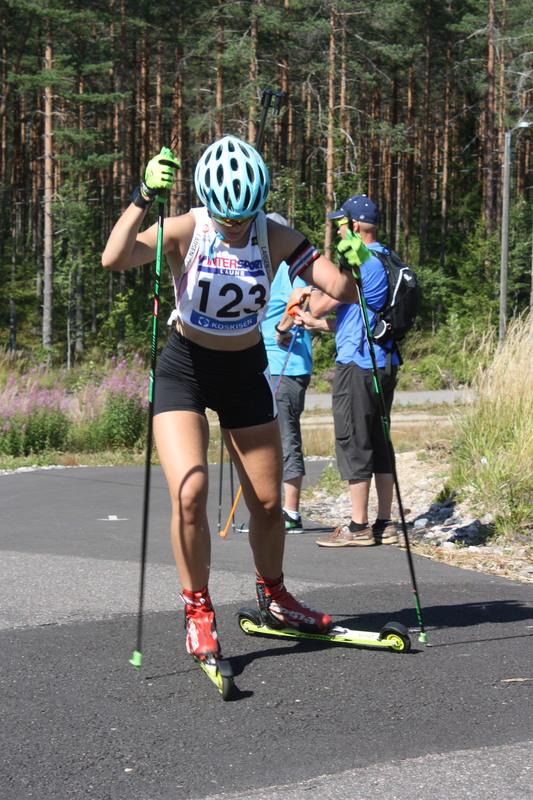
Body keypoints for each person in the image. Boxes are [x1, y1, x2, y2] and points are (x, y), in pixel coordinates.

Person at [101, 137, 368, 661]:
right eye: (227, 218)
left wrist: (352, 261)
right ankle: (198, 610)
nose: (236, 228)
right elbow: (115, 258)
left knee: (268, 504)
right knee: (190, 492)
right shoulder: (188, 228)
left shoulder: (274, 234)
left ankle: (275, 597)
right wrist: (142, 197)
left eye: (245, 218)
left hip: (245, 372)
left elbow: (342, 289)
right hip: (185, 371)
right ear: (209, 205)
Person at [290, 194, 400, 548]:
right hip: (384, 361)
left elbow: (324, 303)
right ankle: (384, 522)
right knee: (379, 440)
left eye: (341, 225)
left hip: (358, 364)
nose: (338, 232)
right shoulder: (387, 257)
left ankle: (358, 525)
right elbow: (359, 317)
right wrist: (317, 325)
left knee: (354, 439)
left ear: (354, 227)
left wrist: (308, 297)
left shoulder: (361, 262)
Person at [261, 212, 313, 534]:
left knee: (286, 437)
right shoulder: (263, 267)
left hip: (287, 365)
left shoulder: (290, 268)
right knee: (266, 439)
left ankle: (291, 512)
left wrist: (282, 327)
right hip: (265, 363)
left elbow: (303, 303)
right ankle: (270, 509)